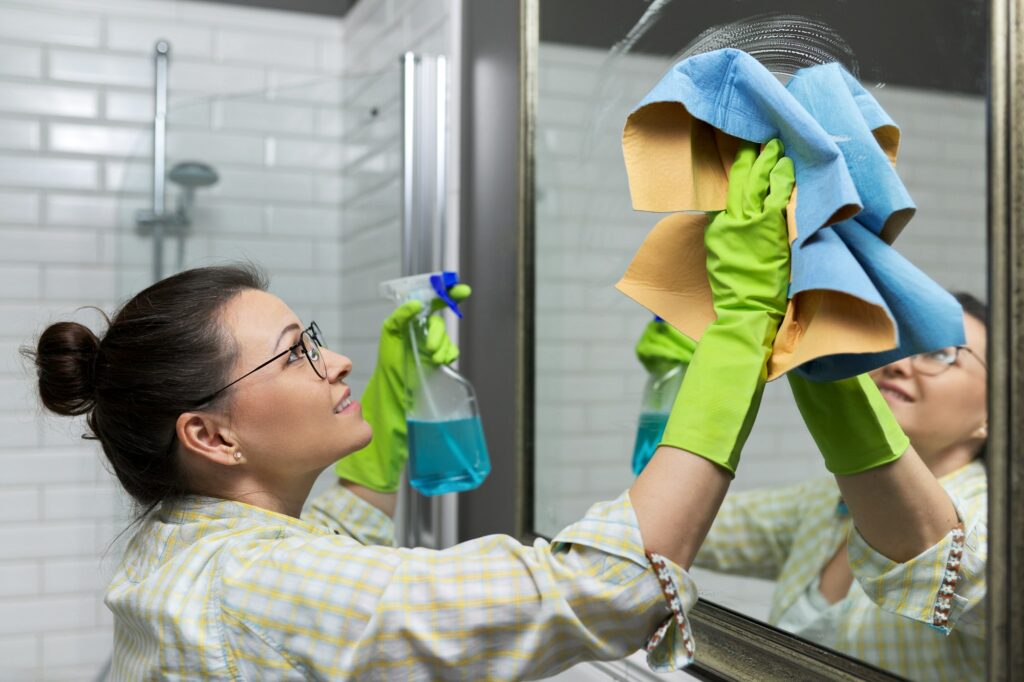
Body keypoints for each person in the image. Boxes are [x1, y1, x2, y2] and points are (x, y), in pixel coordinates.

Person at [26, 141, 796, 680]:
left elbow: (341, 542)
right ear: (211, 435)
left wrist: (397, 387)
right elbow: (609, 589)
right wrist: (739, 328)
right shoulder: (257, 585)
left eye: (314, 339)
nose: (337, 360)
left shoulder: (188, 541)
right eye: (296, 352)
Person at [635, 293, 987, 680]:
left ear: (994, 411)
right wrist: (679, 383)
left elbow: (954, 567)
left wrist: (826, 364)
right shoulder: (824, 502)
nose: (898, 364)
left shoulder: (997, 519)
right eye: (898, 342)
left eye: (940, 354)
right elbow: (664, 526)